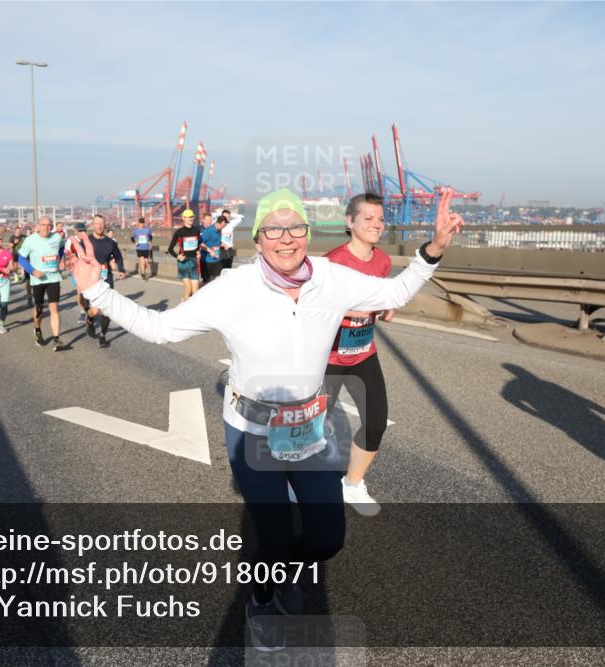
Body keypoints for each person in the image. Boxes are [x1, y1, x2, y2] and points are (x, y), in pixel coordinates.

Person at [69, 187, 463, 650]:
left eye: (294, 227)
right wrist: (96, 289)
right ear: (258, 239)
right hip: (252, 432)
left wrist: (434, 247)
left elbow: (395, 289)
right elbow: (160, 329)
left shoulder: (332, 279)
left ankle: (282, 570)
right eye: (273, 229)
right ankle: (262, 593)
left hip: (310, 429)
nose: (286, 238)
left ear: (307, 233)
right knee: (273, 536)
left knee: (328, 538)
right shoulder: (234, 288)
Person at [322, 193, 394, 517]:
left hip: (363, 353)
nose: (377, 225)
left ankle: (352, 484)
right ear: (349, 222)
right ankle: (292, 485)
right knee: (309, 428)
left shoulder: (382, 261)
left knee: (376, 422)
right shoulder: (332, 263)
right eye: (368, 219)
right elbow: (318, 308)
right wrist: (362, 305)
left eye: (380, 219)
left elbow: (382, 297)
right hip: (327, 358)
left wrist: (387, 304)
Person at [17, 216, 66, 351]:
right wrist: (33, 271)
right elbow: (21, 258)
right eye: (43, 225)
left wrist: (62, 260)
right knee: (39, 309)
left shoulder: (57, 238)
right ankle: (37, 329)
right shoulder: (30, 240)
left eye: (49, 225)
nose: (46, 228)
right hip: (38, 279)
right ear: (38, 226)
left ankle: (57, 339)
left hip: (53, 278)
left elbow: (62, 249)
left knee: (54, 308)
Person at [81, 214, 125, 346]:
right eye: (97, 223)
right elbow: (79, 258)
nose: (100, 226)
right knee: (94, 311)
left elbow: (119, 257)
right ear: (92, 225)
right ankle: (89, 319)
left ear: (105, 225)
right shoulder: (86, 242)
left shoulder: (110, 242)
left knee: (107, 310)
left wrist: (121, 270)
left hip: (106, 278)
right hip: (91, 280)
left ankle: (102, 335)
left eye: (102, 223)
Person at [167, 209, 202, 301]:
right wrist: (177, 256)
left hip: (194, 261)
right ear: (183, 218)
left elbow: (198, 245)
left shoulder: (197, 230)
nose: (191, 218)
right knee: (189, 289)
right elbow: (170, 249)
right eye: (189, 217)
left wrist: (198, 251)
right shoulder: (179, 232)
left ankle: (191, 310)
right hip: (184, 263)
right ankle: (184, 306)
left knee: (196, 292)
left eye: (192, 216)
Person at [200, 214, 225, 283]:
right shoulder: (203, 230)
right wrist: (210, 251)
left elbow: (215, 241)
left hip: (216, 258)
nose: (210, 222)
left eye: (211, 220)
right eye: (208, 220)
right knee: (206, 281)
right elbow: (199, 243)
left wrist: (222, 244)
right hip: (206, 259)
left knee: (217, 280)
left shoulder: (218, 230)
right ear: (203, 220)